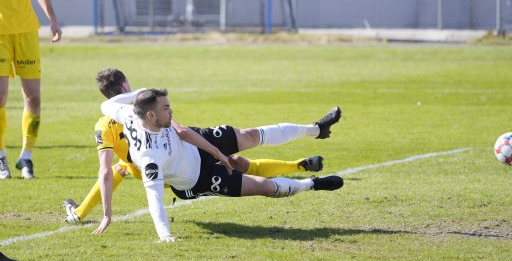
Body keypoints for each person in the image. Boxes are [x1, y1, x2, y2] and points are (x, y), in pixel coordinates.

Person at [63, 67, 327, 226]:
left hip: (155, 168)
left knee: (121, 169)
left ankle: (78, 213)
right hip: (181, 155)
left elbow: (105, 171)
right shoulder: (146, 107)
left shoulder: (104, 124)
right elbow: (180, 130)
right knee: (240, 159)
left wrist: (107, 214)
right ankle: (301, 160)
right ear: (125, 86)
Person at [100, 84, 343, 242]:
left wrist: (139, 93)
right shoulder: (150, 159)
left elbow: (106, 104)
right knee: (264, 187)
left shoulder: (130, 113)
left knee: (248, 135)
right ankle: (312, 184)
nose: (171, 110)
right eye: (166, 108)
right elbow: (155, 201)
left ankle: (317, 130)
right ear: (151, 115)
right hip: (196, 179)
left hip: (194, 142)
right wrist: (165, 235)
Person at [0, 0, 61, 180]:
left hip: (26, 31)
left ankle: (26, 157)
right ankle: (0, 156)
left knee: (33, 97)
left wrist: (52, 18)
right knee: (0, 96)